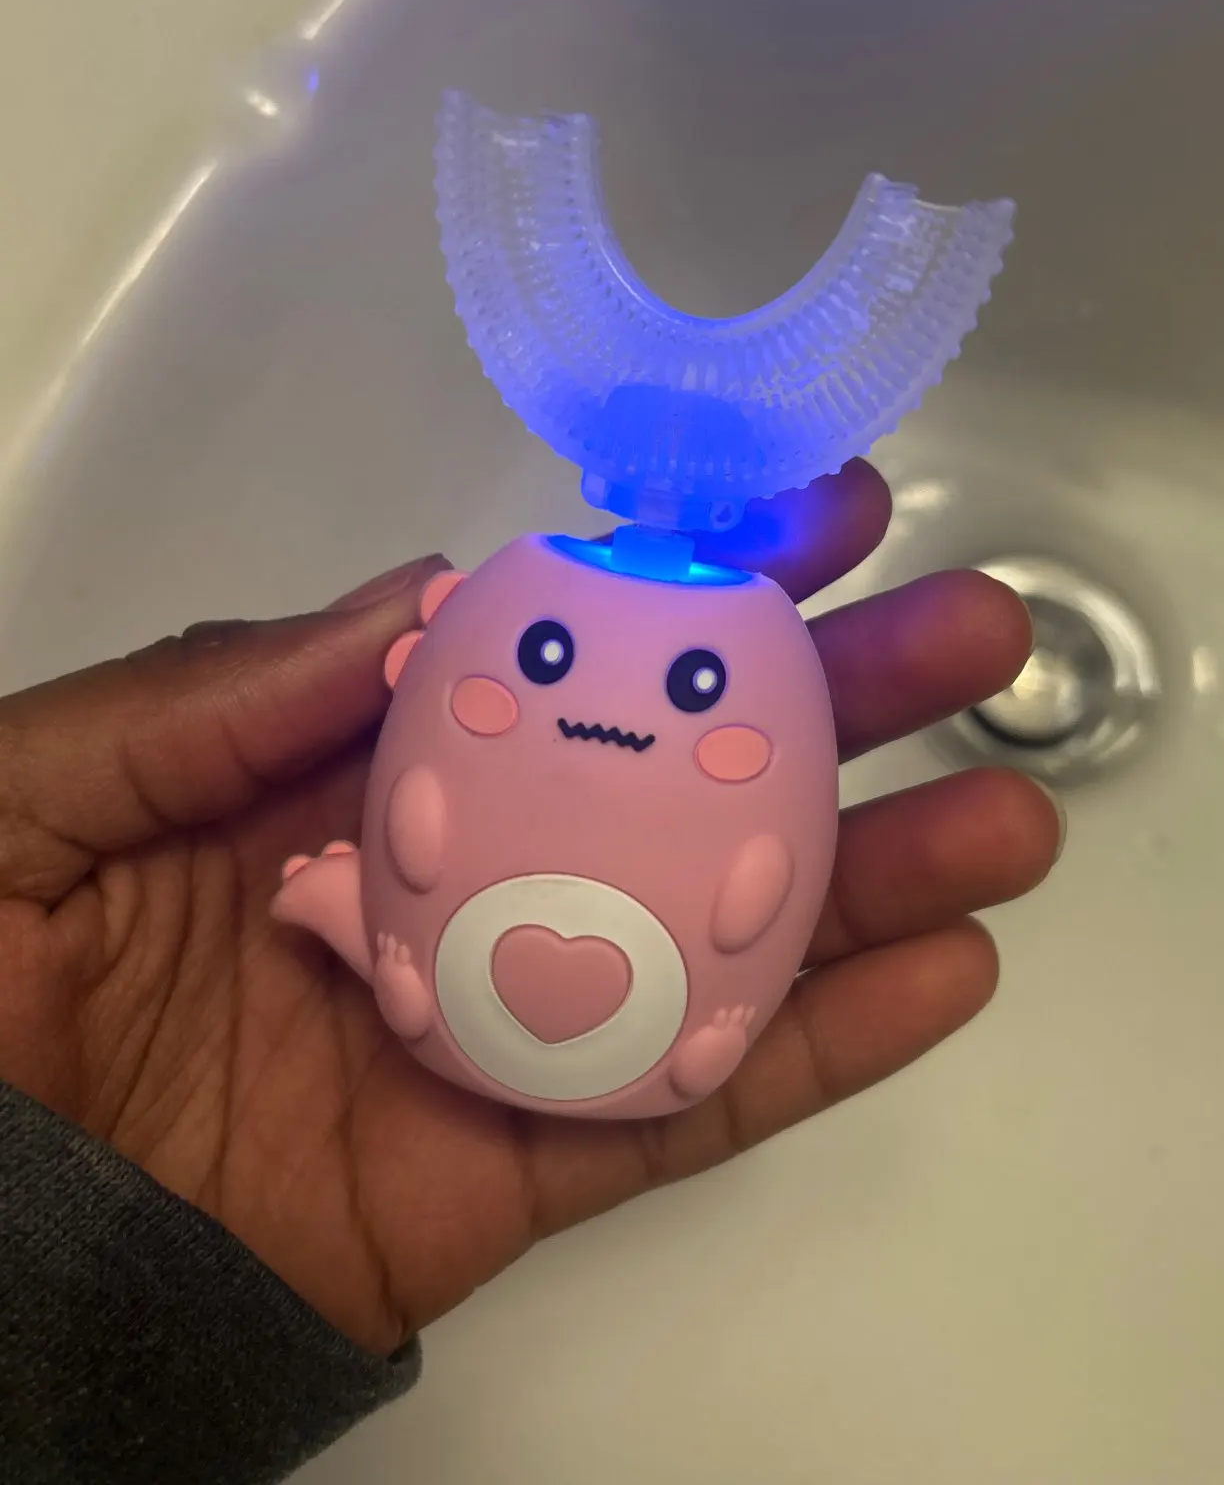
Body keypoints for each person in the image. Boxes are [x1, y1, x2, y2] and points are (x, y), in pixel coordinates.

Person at [0, 462, 1060, 1485]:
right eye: (543, 655)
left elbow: (765, 870)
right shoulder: (604, 603)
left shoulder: (734, 628)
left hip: (589, 1002)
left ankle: (443, 972)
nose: (607, 710)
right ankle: (407, 959)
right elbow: (421, 819)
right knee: (420, 892)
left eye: (699, 686)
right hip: (471, 985)